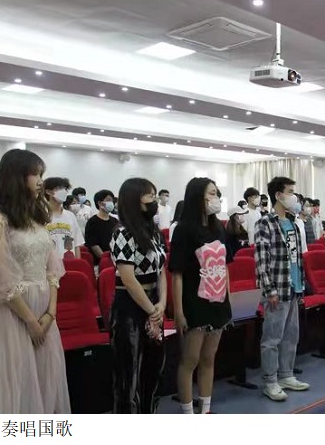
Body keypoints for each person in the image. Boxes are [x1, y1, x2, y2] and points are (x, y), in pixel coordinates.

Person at [0, 149, 70, 413]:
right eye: (35, 174)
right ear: (16, 176)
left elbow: (52, 268)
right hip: (12, 313)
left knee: (44, 379)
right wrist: (31, 321)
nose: (40, 181)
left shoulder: (36, 215)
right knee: (15, 384)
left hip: (43, 311)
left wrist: (50, 313)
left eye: (41, 174)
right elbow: (2, 281)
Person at [169, 177, 232, 414]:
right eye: (211, 193)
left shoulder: (219, 228)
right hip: (194, 303)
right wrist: (178, 312)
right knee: (190, 360)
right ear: (198, 197)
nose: (216, 198)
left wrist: (228, 299)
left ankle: (205, 409)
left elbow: (224, 266)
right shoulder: (184, 230)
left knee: (208, 358)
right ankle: (188, 412)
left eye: (217, 193)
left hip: (218, 301)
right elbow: (177, 274)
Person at [109, 178, 167, 413]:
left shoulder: (154, 233)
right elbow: (128, 278)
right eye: (149, 196)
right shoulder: (122, 233)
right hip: (130, 307)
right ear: (134, 200)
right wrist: (152, 311)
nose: (154, 200)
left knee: (153, 370)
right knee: (128, 375)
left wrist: (161, 304)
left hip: (154, 302)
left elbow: (162, 271)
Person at [255, 176, 310, 401]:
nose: (294, 197)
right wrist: (270, 290)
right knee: (272, 338)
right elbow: (261, 260)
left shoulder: (293, 223)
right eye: (290, 192)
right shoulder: (265, 223)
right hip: (277, 288)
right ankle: (270, 380)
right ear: (278, 195)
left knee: (290, 336)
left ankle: (286, 374)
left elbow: (297, 259)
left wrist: (301, 286)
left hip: (293, 287)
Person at [44, 177, 84, 261]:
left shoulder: (71, 216)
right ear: (48, 191)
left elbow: (77, 245)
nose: (64, 192)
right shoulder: (41, 215)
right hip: (49, 263)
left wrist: (77, 264)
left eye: (65, 189)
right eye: (60, 188)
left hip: (69, 262)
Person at [84, 189, 118, 262]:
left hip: (116, 259)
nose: (111, 203)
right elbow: (93, 244)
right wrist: (105, 259)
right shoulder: (92, 222)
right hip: (100, 262)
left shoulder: (115, 221)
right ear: (100, 203)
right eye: (108, 200)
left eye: (112, 201)